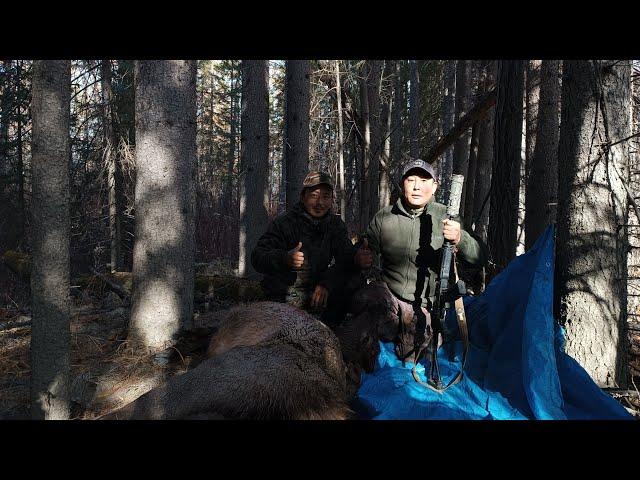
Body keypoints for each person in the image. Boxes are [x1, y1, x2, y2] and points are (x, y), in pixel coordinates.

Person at [358, 158, 487, 361]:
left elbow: (479, 257)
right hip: (391, 298)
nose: (417, 186)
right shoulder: (385, 217)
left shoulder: (447, 216)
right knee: (366, 300)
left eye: (424, 180)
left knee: (412, 355)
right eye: (411, 180)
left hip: (426, 306)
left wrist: (460, 239)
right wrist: (361, 257)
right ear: (402, 184)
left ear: (435, 186)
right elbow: (364, 251)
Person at [251, 171, 371, 327]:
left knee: (355, 280)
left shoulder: (334, 225)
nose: (320, 202)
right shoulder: (284, 223)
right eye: (314, 196)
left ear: (332, 200)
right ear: (303, 196)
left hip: (317, 290)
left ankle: (330, 330)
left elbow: (345, 258)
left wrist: (356, 259)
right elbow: (257, 257)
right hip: (287, 292)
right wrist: (285, 258)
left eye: (326, 197)